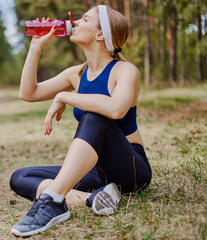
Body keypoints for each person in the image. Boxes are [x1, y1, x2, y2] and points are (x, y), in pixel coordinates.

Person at [9, 5, 152, 237]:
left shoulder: (125, 71)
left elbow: (115, 109)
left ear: (100, 34)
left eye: (84, 19)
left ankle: (52, 201)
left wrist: (65, 96)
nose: (75, 22)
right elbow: (29, 93)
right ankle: (93, 198)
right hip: (98, 173)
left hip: (131, 169)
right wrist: (35, 47)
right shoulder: (76, 74)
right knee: (20, 177)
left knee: (95, 115)